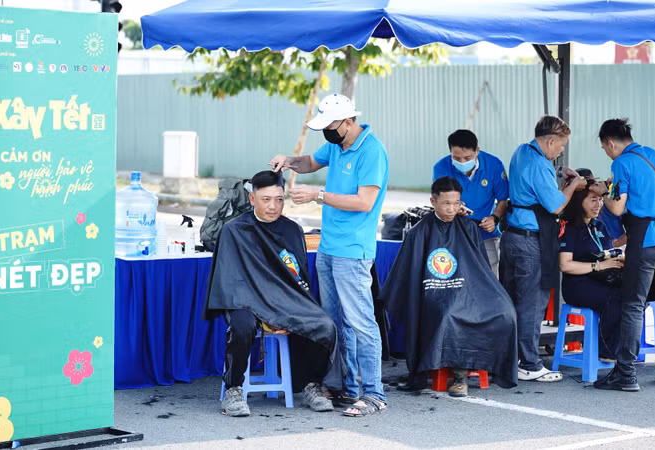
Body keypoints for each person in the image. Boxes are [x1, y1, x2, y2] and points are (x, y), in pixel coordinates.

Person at [270, 93, 389, 417]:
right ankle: (346, 388)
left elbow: (365, 202)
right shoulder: (337, 145)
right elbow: (311, 162)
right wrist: (290, 161)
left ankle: (374, 393)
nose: (328, 133)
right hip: (328, 248)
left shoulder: (371, 151)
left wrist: (317, 195)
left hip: (353, 251)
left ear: (349, 122)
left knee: (361, 322)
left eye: (331, 126)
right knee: (335, 323)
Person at [204, 170, 341, 417]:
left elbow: (299, 280)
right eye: (266, 199)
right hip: (245, 301)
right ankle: (234, 387)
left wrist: (285, 311)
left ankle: (310, 384)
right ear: (252, 199)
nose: (273, 206)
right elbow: (231, 282)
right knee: (243, 326)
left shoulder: (292, 230)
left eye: (279, 199)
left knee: (323, 324)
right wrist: (267, 313)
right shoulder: (234, 230)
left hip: (283, 299)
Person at [382, 177, 518, 397]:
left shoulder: (469, 228)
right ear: (433, 201)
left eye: (456, 203)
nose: (451, 209)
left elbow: (480, 271)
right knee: (450, 313)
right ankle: (459, 377)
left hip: (468, 290)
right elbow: (409, 276)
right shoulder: (419, 233)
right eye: (446, 203)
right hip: (433, 293)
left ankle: (496, 366)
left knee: (505, 310)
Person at [595, 118, 655, 392]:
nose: (607, 153)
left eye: (604, 149)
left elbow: (618, 208)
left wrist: (603, 192)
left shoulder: (621, 162)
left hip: (645, 239)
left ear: (611, 143)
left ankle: (625, 373)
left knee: (633, 305)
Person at [501, 115, 587, 383]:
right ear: (550, 141)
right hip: (530, 242)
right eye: (561, 146)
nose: (561, 151)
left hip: (513, 237)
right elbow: (556, 206)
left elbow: (534, 181)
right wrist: (574, 184)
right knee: (532, 305)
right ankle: (529, 363)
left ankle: (512, 358)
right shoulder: (539, 165)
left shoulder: (522, 151)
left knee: (513, 301)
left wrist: (560, 172)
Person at [559, 170, 623, 362]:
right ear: (580, 202)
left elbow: (608, 255)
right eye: (593, 200)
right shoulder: (570, 228)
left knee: (634, 294)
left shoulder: (600, 226)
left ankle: (622, 348)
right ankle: (607, 352)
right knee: (616, 298)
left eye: (600, 199)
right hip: (577, 285)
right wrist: (599, 266)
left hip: (602, 280)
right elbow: (565, 265)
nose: (599, 204)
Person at [432, 130, 509, 278]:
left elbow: (503, 200)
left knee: (489, 277)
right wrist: (453, 209)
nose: (461, 162)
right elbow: (438, 202)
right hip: (453, 234)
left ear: (477, 150)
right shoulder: (440, 168)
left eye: (467, 157)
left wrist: (495, 218)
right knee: (456, 278)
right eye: (456, 158)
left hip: (486, 234)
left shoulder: (494, 165)